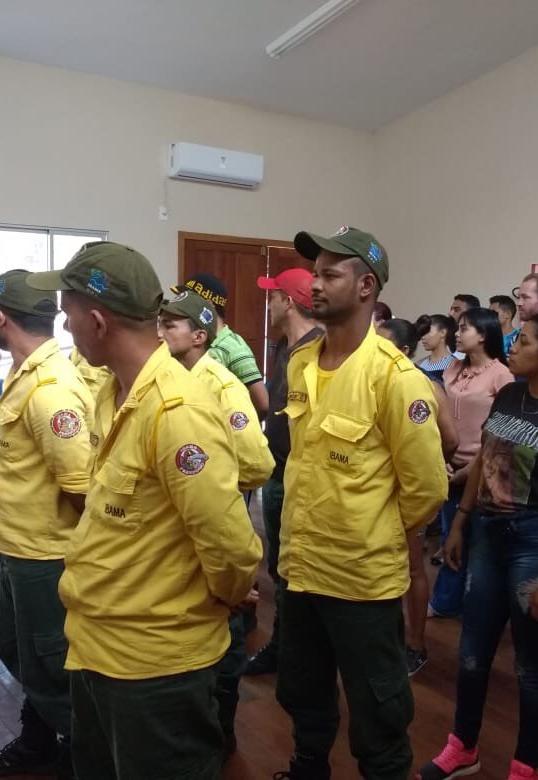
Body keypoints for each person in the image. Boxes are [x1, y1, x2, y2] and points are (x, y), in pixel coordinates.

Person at [26, 241, 262, 779]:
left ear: (98, 321)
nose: (65, 326)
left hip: (153, 664)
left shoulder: (177, 411)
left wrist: (225, 596)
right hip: (99, 646)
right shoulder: (114, 394)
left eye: (67, 313)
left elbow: (229, 544)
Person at [274, 226, 446, 779]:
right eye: (314, 274)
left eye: (330, 274)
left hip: (360, 578)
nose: (314, 285)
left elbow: (426, 488)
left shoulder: (395, 379)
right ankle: (308, 765)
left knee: (378, 707)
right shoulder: (302, 362)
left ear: (366, 286)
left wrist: (372, 532)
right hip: (301, 566)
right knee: (302, 688)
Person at [419, 313, 538, 780]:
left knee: (529, 666)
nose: (513, 345)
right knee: (472, 654)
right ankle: (463, 748)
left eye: (525, 341)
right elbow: (485, 457)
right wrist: (460, 522)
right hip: (488, 535)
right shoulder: (510, 395)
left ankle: (525, 767)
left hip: (537, 543)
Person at [0, 270, 93, 779]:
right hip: (17, 547)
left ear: (1, 318)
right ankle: (42, 737)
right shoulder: (26, 373)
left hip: (45, 555)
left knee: (49, 664)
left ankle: (83, 755)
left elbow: (82, 487)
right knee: (16, 651)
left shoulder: (50, 389)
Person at [157, 288, 275, 759]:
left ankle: (222, 730)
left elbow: (257, 464)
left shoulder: (222, 386)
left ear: (199, 336)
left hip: (215, 516)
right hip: (176, 530)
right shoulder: (162, 378)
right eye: (159, 323)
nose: (160, 332)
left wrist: (213, 482)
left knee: (225, 627)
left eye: (170, 325)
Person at [245, 268, 322, 677]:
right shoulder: (283, 347)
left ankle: (294, 652)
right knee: (279, 566)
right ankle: (284, 645)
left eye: (272, 296)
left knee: (297, 570)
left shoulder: (319, 349)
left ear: (288, 301)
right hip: (276, 474)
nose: (268, 303)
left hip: (301, 479)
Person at [377, 318, 458, 677]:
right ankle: (386, 640)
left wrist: (425, 464)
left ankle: (416, 645)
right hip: (373, 494)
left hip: (408, 493)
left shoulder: (424, 385)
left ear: (404, 350)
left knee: (412, 567)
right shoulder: (369, 380)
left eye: (383, 342)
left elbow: (451, 440)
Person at [429, 308, 512, 619]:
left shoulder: (501, 375)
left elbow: (502, 433)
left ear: (483, 335)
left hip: (483, 468)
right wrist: (443, 459)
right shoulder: (453, 367)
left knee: (481, 542)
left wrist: (470, 469)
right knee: (452, 536)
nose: (457, 333)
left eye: (464, 328)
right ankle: (446, 601)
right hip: (448, 463)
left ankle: (479, 606)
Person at [178, 272, 268, 416]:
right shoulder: (194, 341)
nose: (182, 307)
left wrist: (231, 425)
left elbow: (262, 404)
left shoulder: (233, 347)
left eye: (189, 302)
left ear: (208, 305)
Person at [417, 314, 457, 384]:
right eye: (423, 333)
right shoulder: (420, 364)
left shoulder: (455, 364)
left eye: (427, 332)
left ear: (443, 332)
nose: (423, 337)